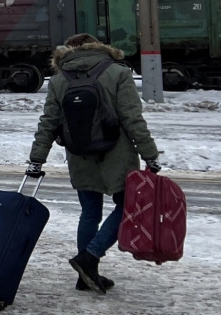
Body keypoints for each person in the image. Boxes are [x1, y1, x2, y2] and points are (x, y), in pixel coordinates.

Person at [26, 33, 161, 295]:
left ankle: (85, 274)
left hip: (79, 154)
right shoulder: (118, 72)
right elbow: (132, 118)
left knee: (90, 213)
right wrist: (149, 154)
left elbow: (49, 122)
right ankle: (89, 257)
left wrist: (36, 159)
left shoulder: (59, 79)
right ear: (98, 47)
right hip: (117, 153)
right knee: (127, 208)